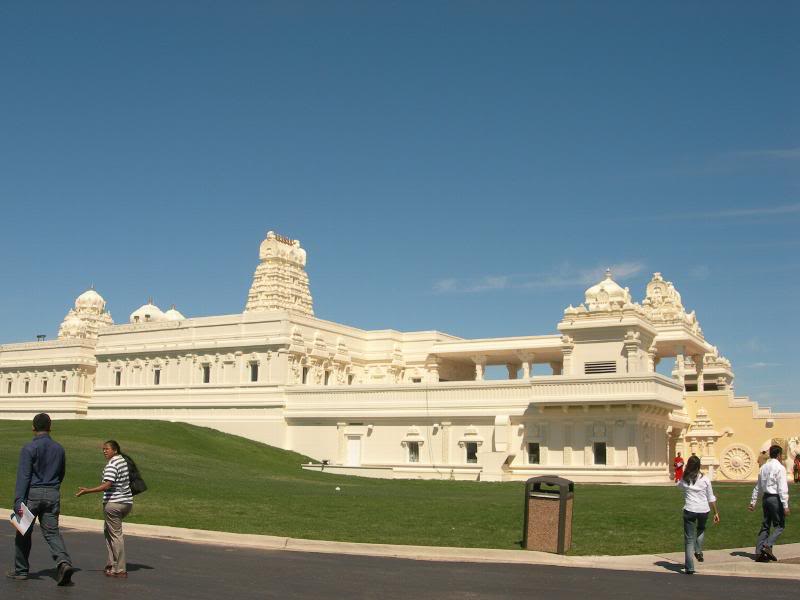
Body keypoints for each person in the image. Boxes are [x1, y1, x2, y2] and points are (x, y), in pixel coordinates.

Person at [8, 413, 76, 585]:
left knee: (23, 533)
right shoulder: (59, 448)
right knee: (52, 532)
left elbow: (24, 477)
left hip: (32, 494)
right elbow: (61, 473)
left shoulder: (29, 448)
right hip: (52, 493)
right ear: (50, 427)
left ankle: (21, 570)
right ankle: (63, 562)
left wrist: (18, 501)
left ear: (33, 428)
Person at [76, 440, 134, 578]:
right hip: (126, 502)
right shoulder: (123, 461)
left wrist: (87, 491)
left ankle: (119, 569)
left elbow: (107, 485)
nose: (104, 451)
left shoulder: (112, 465)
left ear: (115, 450)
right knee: (109, 532)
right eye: (103, 449)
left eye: (107, 449)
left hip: (114, 504)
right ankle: (111, 564)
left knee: (115, 535)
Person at [677, 455, 720, 575]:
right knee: (701, 529)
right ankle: (698, 549)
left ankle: (689, 566)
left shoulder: (685, 479)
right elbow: (711, 498)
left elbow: (679, 486)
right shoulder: (705, 479)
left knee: (689, 539)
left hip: (690, 509)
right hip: (703, 509)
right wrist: (716, 512)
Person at [749, 444, 790, 562]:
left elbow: (758, 486)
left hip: (766, 498)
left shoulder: (763, 467)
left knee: (765, 525)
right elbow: (782, 487)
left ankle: (759, 552)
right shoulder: (780, 468)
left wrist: (753, 501)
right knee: (780, 525)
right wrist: (785, 505)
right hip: (775, 498)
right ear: (778, 455)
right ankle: (767, 545)